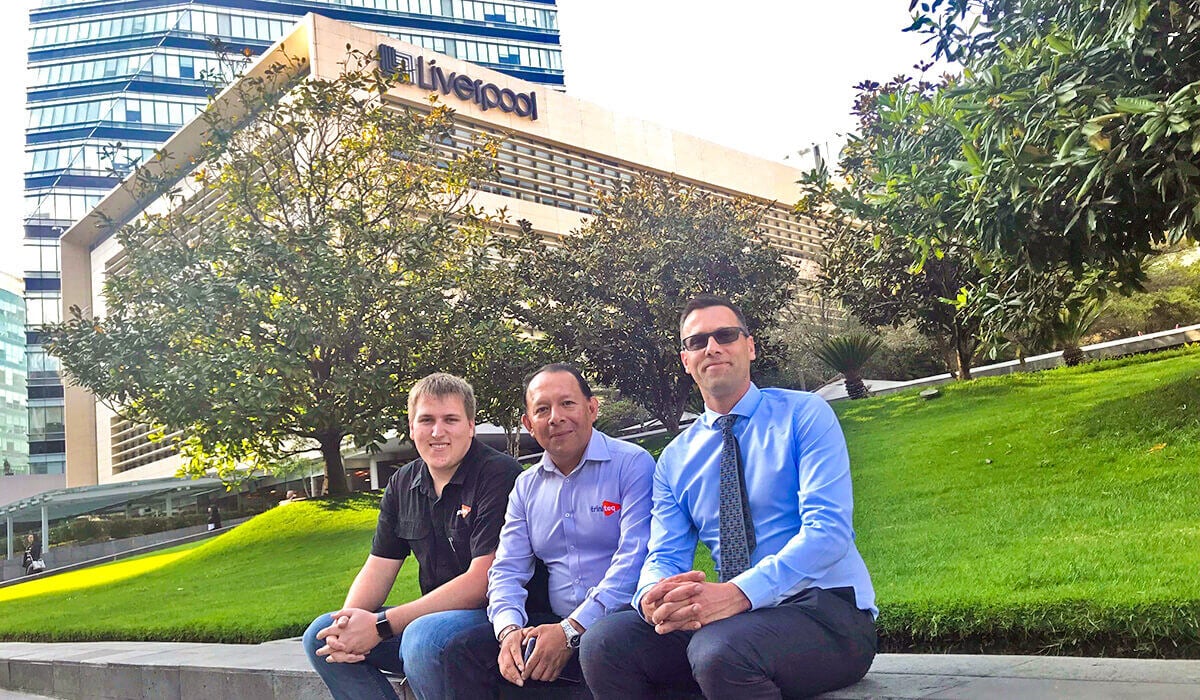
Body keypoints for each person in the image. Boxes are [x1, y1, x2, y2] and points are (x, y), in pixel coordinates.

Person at [581, 295, 878, 699]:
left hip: (826, 611)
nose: (712, 347)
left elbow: (827, 532)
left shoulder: (805, 415)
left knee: (719, 652)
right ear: (686, 361)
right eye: (697, 341)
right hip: (735, 622)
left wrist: (740, 593)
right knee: (605, 644)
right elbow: (664, 555)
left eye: (725, 335)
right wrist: (652, 596)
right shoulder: (674, 459)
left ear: (750, 346)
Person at [426, 363, 654, 698]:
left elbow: (633, 561)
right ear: (529, 424)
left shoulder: (632, 464)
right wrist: (509, 632)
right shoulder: (526, 486)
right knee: (460, 650)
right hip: (555, 620)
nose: (555, 417)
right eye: (542, 410)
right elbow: (506, 570)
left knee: (600, 643)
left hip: (623, 620)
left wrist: (570, 631)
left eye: (567, 404)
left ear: (592, 408)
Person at [303, 373, 521, 700]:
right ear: (411, 427)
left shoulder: (498, 475)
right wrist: (345, 628)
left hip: (501, 619)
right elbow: (378, 566)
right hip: (434, 620)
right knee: (320, 635)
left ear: (471, 425)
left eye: (450, 420)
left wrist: (379, 627)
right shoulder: (403, 483)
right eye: (427, 420)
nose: (438, 432)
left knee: (423, 637)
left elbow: (482, 583)